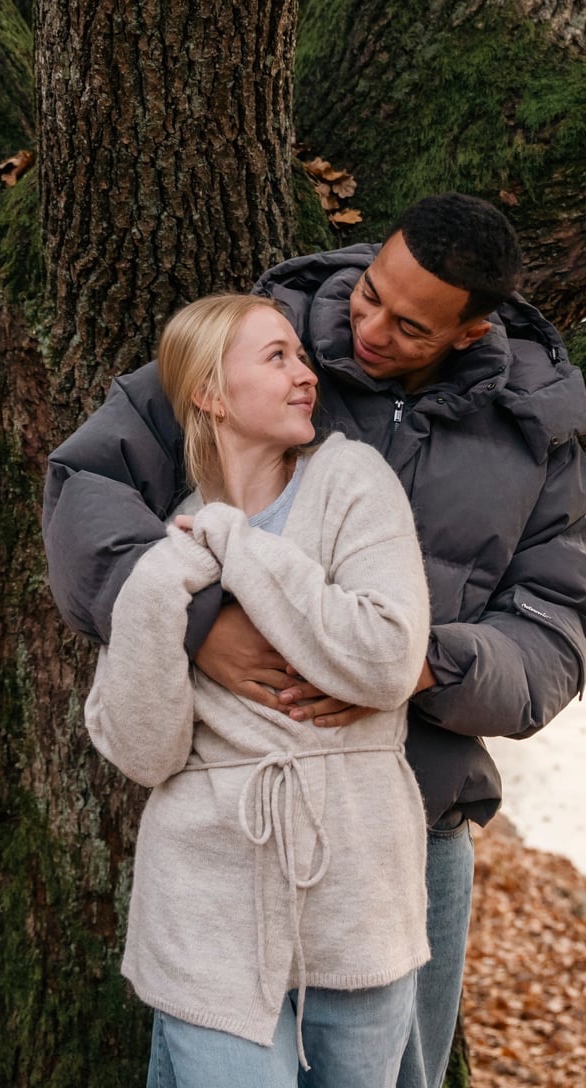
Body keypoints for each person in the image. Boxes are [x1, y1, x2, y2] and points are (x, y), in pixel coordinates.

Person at [45, 192, 586, 1088]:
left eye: (410, 326)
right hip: (228, 830)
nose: (370, 330)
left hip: (408, 824)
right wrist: (204, 628)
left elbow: (561, 626)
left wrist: (421, 666)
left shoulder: (533, 436)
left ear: (469, 332)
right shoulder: (262, 349)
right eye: (371, 294)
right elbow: (86, 490)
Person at [85, 293, 432, 1085]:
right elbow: (143, 752)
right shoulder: (171, 539)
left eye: (301, 357)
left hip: (358, 892)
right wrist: (158, 589)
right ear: (209, 391)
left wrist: (239, 546)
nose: (305, 374)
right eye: (276, 358)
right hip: (206, 901)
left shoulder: (351, 480)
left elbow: (385, 655)